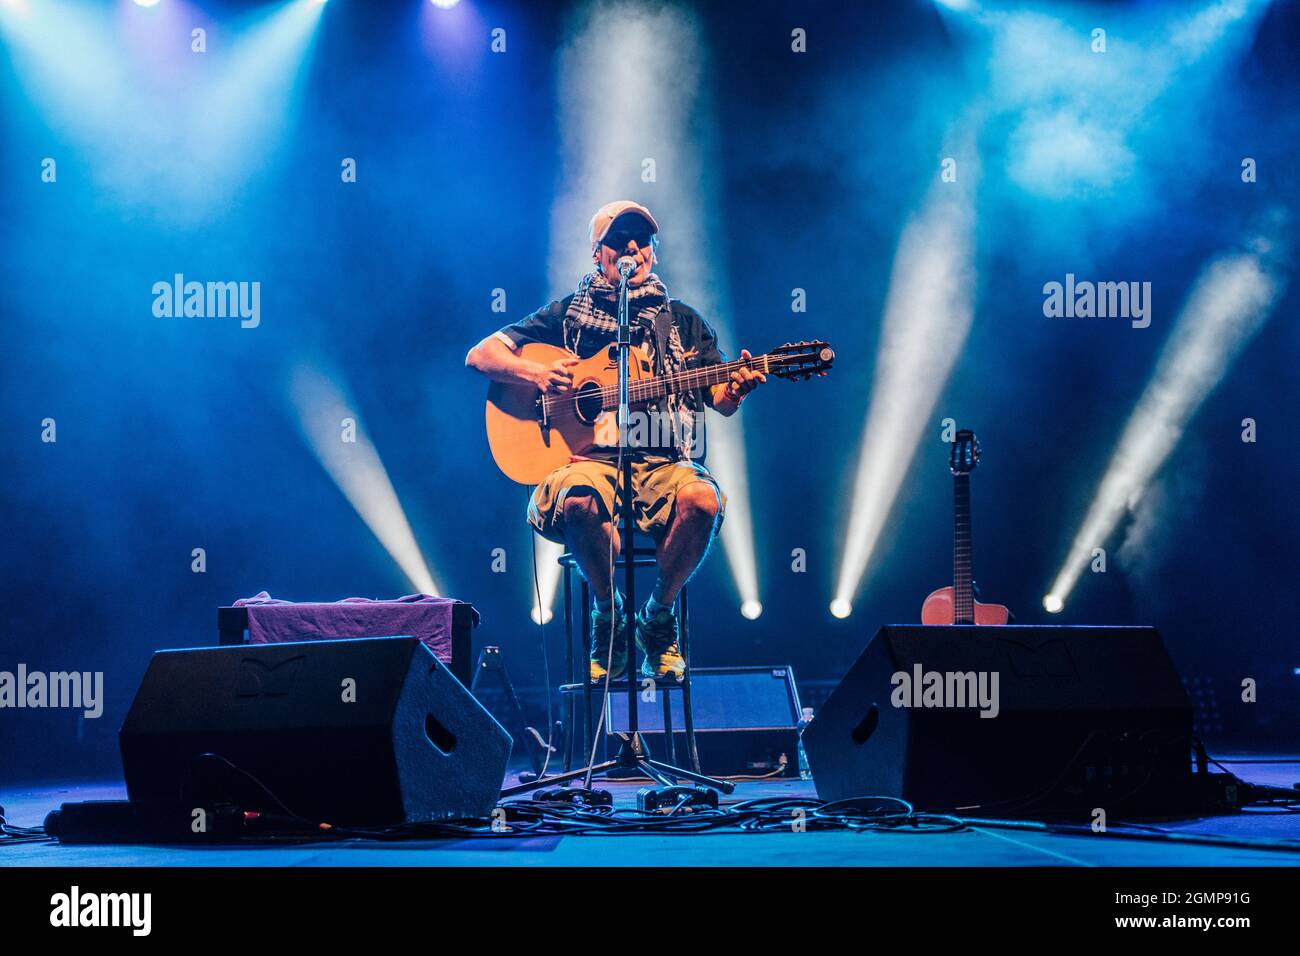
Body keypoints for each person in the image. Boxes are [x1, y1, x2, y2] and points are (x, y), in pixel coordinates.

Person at [466, 200, 764, 681]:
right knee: (579, 501)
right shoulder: (567, 318)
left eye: (642, 239)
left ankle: (658, 619)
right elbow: (481, 355)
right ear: (596, 253)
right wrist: (536, 373)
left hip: (662, 457)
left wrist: (738, 386)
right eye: (619, 238)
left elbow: (721, 398)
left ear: (652, 252)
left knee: (702, 501)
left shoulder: (683, 322)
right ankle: (609, 618)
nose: (632, 247)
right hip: (588, 459)